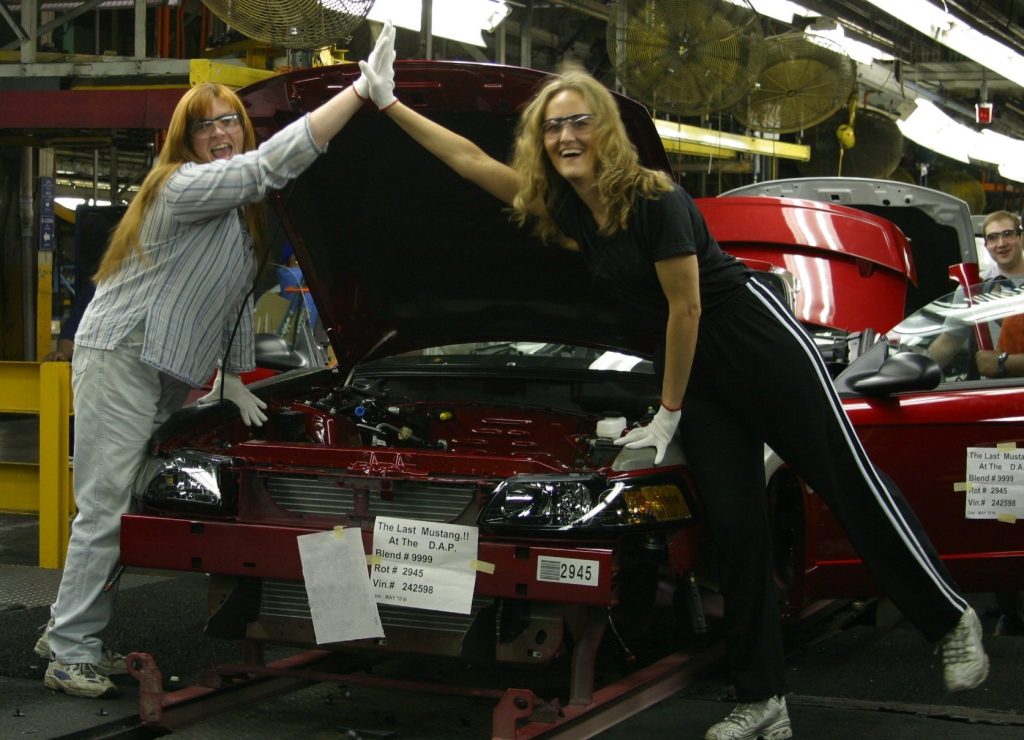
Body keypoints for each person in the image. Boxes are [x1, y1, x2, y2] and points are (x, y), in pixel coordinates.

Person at [356, 54, 990, 739]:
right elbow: (472, 163)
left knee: (843, 477)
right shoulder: (565, 205)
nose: (566, 136)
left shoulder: (655, 197)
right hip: (700, 372)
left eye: (579, 122)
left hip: (755, 341)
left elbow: (685, 309)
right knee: (737, 529)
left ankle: (950, 617)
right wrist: (388, 104)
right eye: (551, 128)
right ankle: (763, 700)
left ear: (605, 131)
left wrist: (666, 413)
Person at [33, 22, 397, 699]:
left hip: (158, 367)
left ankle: (69, 632)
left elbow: (226, 304)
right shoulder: (180, 187)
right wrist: (358, 92)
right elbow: (267, 169)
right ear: (186, 142)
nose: (222, 134)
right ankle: (69, 648)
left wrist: (231, 376)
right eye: (207, 128)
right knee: (106, 510)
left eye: (230, 121)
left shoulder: (236, 218)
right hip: (124, 356)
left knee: (117, 508)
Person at [929, 210, 1024, 376]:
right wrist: (915, 370)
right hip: (992, 391)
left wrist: (1003, 362)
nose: (1001, 243)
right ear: (986, 245)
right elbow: (949, 342)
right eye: (993, 237)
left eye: (1007, 234)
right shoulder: (974, 287)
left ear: (1020, 237)